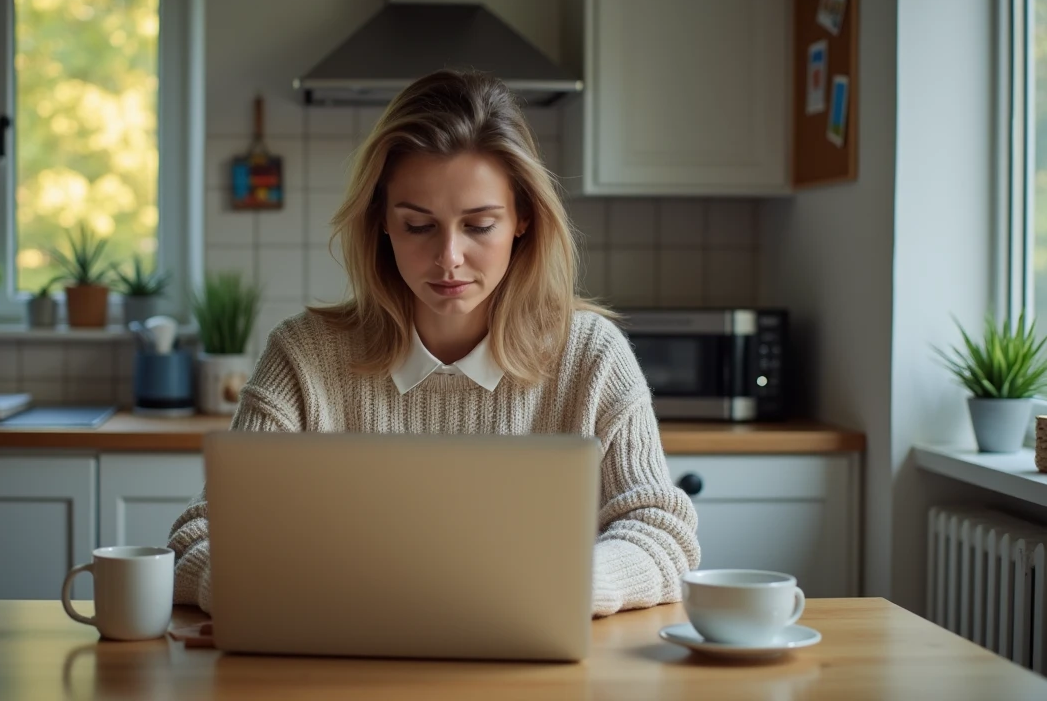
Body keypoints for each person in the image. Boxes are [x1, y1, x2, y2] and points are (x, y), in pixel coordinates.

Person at [168, 69, 700, 618]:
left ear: (522, 219)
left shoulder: (591, 354)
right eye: (419, 226)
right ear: (381, 223)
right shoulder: (303, 356)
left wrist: (565, 585)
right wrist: (255, 587)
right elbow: (199, 534)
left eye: (479, 225)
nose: (449, 257)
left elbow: (664, 536)